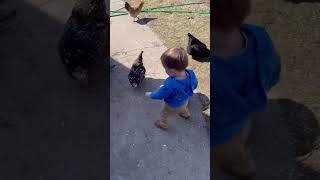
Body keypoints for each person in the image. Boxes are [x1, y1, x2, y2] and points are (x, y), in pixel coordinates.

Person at [211, 0, 281, 179]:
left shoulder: (213, 73)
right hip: (249, 105)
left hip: (223, 129)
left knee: (232, 154)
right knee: (243, 125)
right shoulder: (259, 36)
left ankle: (243, 170)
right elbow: (273, 72)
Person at [145, 47, 198, 129]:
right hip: (184, 100)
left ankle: (163, 123)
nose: (165, 70)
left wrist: (151, 94)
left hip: (171, 105)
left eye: (165, 68)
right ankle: (185, 114)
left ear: (172, 71)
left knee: (165, 113)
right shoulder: (190, 73)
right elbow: (194, 84)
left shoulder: (170, 84)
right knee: (183, 107)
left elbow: (159, 95)